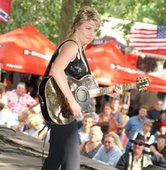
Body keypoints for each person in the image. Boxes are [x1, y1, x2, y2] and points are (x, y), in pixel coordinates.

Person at [41, 6, 122, 170]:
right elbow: (56, 70)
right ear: (77, 25)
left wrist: (107, 91)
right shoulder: (71, 46)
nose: (92, 34)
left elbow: (78, 88)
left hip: (64, 109)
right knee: (70, 164)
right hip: (63, 108)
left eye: (95, 30)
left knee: (57, 158)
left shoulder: (79, 47)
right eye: (88, 28)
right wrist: (71, 102)